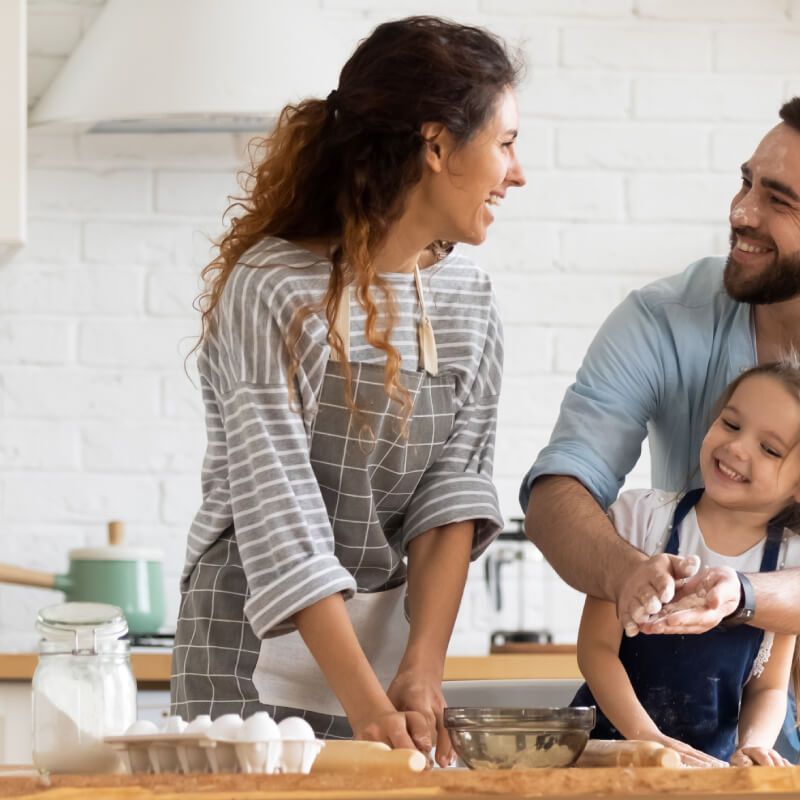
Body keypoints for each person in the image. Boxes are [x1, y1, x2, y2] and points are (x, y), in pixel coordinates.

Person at [521, 97, 800, 764]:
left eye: (779, 200)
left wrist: (739, 594)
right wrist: (629, 575)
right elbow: (560, 492)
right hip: (672, 748)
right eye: (747, 183)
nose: (742, 212)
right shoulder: (660, 319)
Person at [170, 16, 526, 767]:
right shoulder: (272, 288)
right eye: (506, 143)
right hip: (248, 644)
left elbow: (453, 493)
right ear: (435, 146)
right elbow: (278, 510)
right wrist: (366, 705)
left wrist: (421, 672)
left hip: (388, 652)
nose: (516, 173)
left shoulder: (468, 298)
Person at [572, 358, 800, 768]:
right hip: (606, 757)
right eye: (731, 425)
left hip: (707, 772)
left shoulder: (791, 567)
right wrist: (648, 741)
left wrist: (753, 746)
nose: (736, 447)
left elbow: (767, 688)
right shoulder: (639, 519)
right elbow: (596, 649)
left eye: (769, 449)